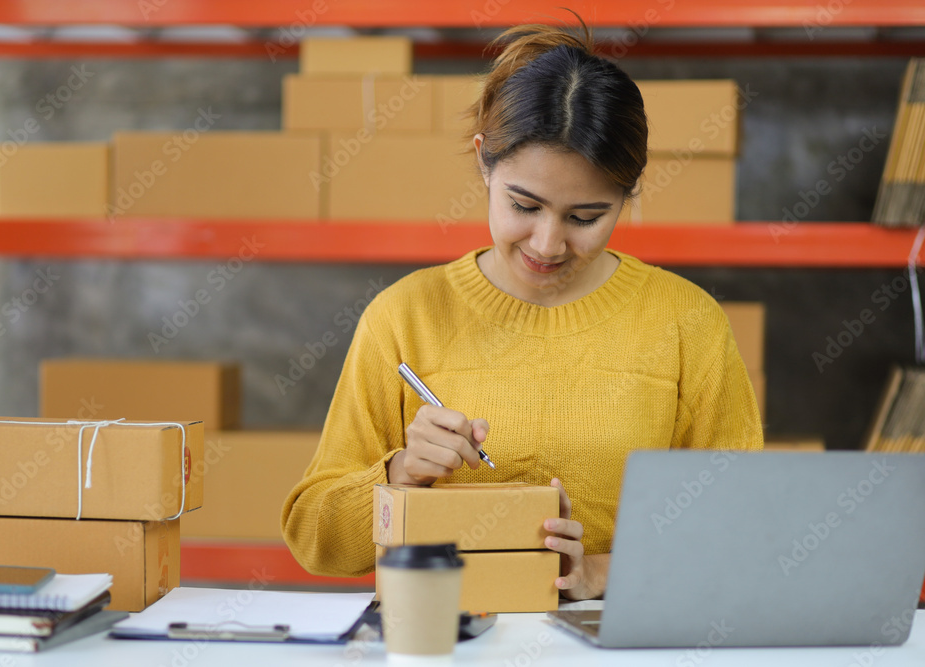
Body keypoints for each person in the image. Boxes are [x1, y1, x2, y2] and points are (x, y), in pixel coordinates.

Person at [282, 20, 763, 601]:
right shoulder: (405, 316)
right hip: (445, 641)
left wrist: (597, 573)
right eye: (523, 205)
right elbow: (315, 538)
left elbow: (740, 529)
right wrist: (399, 473)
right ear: (485, 162)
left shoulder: (687, 322)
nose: (547, 244)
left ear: (629, 194)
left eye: (585, 217)